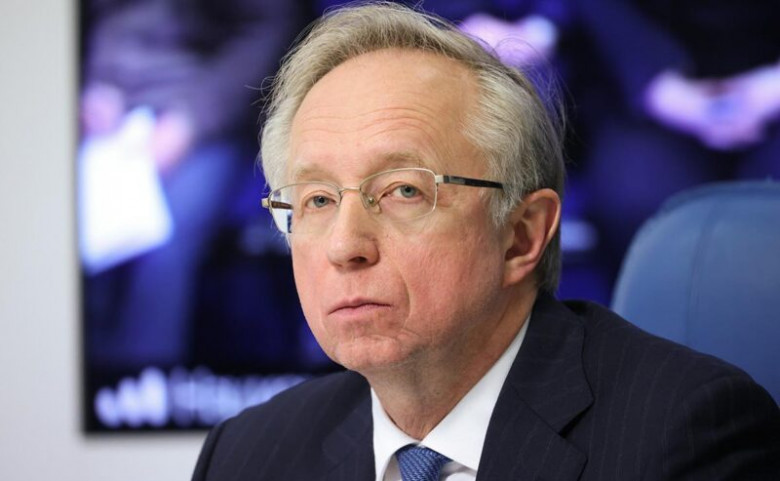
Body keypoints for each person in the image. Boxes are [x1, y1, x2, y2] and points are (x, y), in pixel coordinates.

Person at [191, 3, 780, 480]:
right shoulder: (245, 456)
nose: (345, 247)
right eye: (317, 200)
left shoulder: (684, 436)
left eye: (403, 191)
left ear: (522, 236)